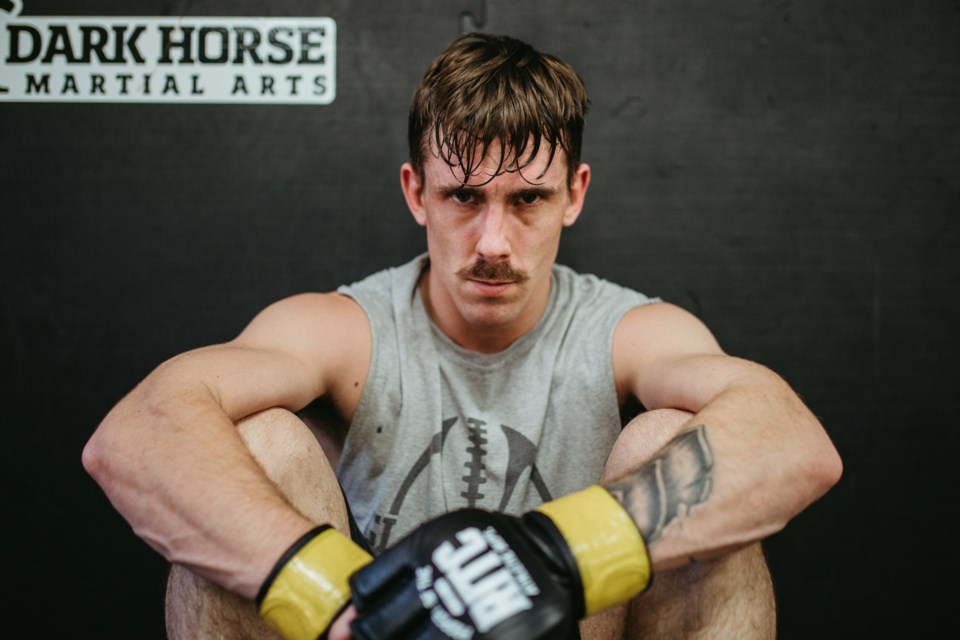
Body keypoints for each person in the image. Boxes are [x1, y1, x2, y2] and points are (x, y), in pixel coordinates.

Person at [83, 32, 842, 640]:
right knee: (261, 446)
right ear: (417, 191)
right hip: (371, 631)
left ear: (574, 195)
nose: (493, 241)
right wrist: (338, 598)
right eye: (464, 196)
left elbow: (789, 441)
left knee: (677, 443)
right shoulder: (345, 330)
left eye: (528, 200)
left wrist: (553, 555)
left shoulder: (630, 333)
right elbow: (141, 430)